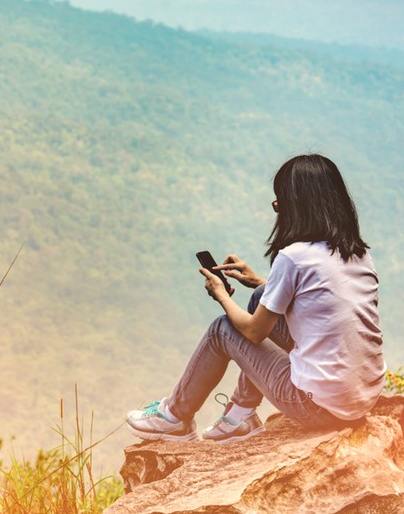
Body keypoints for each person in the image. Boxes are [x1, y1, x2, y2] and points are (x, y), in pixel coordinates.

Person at [126, 154, 385, 443]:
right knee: (262, 296)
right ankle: (239, 416)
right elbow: (321, 302)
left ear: (295, 207)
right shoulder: (358, 253)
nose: (278, 211)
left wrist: (221, 295)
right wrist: (261, 282)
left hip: (317, 406)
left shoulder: (294, 257)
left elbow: (253, 331)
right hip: (361, 399)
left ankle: (174, 417)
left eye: (279, 204)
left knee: (222, 330)